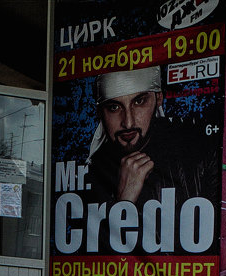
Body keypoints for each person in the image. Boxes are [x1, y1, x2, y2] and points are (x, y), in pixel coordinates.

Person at [85, 65, 218, 253]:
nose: (128, 122)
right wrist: (124, 201)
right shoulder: (92, 171)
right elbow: (95, 263)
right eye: (114, 107)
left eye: (139, 102)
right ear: (100, 112)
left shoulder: (199, 151)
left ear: (158, 98)